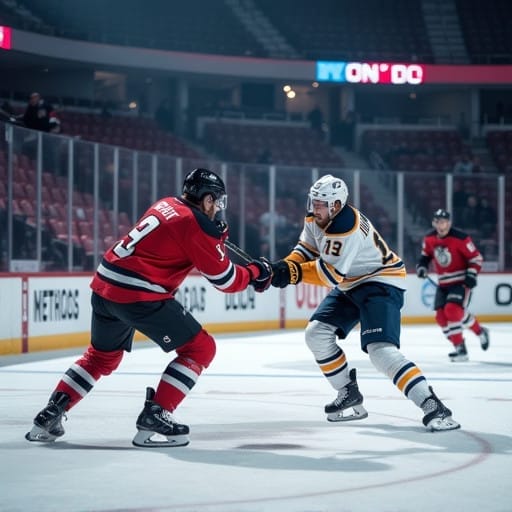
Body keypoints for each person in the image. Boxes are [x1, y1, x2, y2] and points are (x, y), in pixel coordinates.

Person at [25, 168, 272, 448]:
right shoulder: (196, 224)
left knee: (100, 358)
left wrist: (216, 239)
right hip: (138, 295)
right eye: (216, 201)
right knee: (201, 348)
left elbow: (192, 243)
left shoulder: (166, 203)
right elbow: (226, 280)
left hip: (105, 287)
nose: (217, 208)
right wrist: (255, 272)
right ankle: (155, 415)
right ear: (206, 199)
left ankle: (50, 413)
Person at [269, 174, 460, 432]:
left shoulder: (345, 225)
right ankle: (348, 392)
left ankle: (432, 405)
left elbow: (329, 274)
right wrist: (280, 267)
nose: (314, 208)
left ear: (336, 205)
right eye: (313, 202)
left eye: (320, 204)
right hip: (352, 282)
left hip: (381, 282)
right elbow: (305, 250)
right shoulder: (317, 218)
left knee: (380, 351)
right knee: (316, 333)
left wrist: (289, 274)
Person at [416, 209, 489, 362]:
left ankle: (461, 350)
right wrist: (422, 267)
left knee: (453, 311)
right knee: (441, 318)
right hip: (443, 283)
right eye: (437, 222)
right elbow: (425, 256)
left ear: (449, 223)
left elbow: (476, 258)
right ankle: (478, 332)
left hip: (460, 282)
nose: (440, 225)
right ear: (434, 223)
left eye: (443, 222)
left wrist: (471, 274)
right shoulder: (429, 238)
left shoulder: (461, 238)